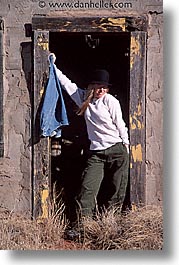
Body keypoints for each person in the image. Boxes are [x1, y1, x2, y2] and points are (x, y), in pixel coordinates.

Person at [48, 53, 129, 226]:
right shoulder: (83, 98)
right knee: (87, 188)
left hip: (117, 149)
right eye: (98, 86)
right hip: (96, 153)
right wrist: (52, 64)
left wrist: (126, 146)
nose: (101, 90)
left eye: (105, 87)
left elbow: (120, 124)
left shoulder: (110, 101)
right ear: (91, 86)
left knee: (116, 189)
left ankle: (109, 224)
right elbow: (66, 84)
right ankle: (83, 226)